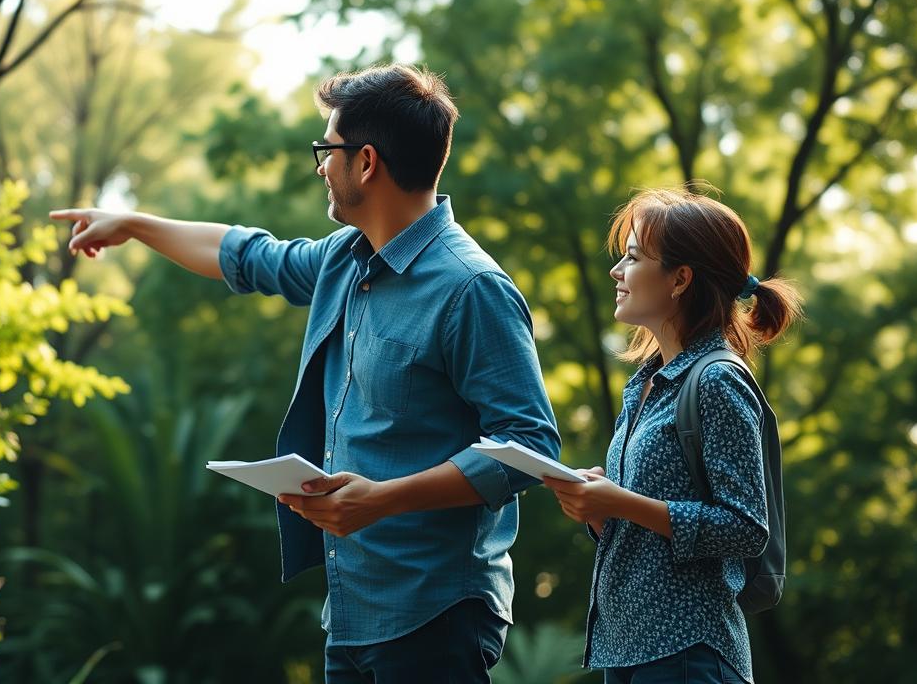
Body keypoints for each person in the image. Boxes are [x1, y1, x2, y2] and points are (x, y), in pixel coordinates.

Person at [50, 64, 560, 683]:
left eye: (327, 149)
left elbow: (529, 446)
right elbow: (243, 254)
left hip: (437, 611)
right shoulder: (344, 261)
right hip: (350, 608)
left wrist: (383, 500)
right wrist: (132, 224)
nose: (320, 165)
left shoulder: (471, 288)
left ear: (366, 162)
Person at [543, 187, 802, 684]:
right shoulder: (645, 384)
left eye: (634, 257)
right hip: (628, 650)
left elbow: (747, 527)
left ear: (681, 278)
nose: (618, 271)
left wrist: (619, 502)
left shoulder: (718, 381)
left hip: (687, 653)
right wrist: (599, 510)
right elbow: (645, 529)